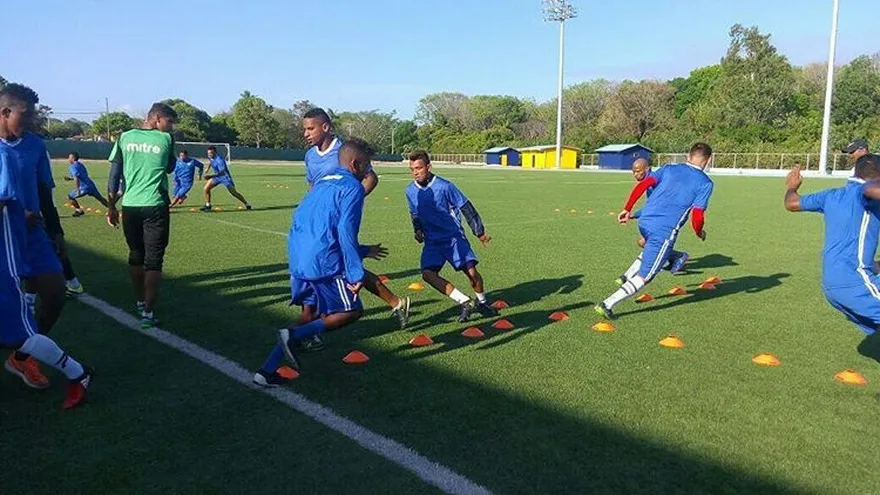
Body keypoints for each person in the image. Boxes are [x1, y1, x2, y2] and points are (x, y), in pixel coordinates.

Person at [253, 138, 376, 386]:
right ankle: (295, 336)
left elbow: (311, 222)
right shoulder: (352, 188)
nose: (368, 171)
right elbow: (344, 231)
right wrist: (355, 273)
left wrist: (361, 251)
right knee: (352, 310)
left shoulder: (321, 184)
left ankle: (265, 372)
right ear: (355, 164)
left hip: (298, 256)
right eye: (366, 166)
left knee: (310, 316)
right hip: (323, 262)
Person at [0, 83, 92, 408]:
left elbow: (43, 194)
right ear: (5, 112)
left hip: (32, 235)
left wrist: (56, 232)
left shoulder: (35, 145)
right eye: (27, 114)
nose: (33, 120)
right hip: (5, 236)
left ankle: (24, 356)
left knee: (54, 295)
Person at [298, 108, 409, 344]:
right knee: (338, 267)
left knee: (339, 267)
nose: (306, 134)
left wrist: (349, 204)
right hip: (319, 225)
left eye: (310, 128)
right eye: (305, 129)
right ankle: (396, 303)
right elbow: (312, 188)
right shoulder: (309, 156)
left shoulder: (344, 150)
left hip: (339, 221)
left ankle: (306, 333)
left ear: (325, 127)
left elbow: (371, 178)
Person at [595, 143, 715, 320]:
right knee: (645, 276)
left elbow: (643, 185)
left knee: (650, 248)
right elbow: (697, 215)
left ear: (688, 155)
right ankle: (607, 304)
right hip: (663, 232)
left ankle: (672, 258)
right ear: (709, 159)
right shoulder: (705, 183)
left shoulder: (668, 168)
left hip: (645, 223)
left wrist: (627, 209)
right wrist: (699, 233)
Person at [784, 154, 880, 337]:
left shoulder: (831, 196)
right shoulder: (865, 191)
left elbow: (791, 203)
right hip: (855, 283)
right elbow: (870, 188)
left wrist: (791, 187)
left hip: (833, 284)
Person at [106, 102, 178, 329]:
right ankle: (148, 313)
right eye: (170, 121)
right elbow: (169, 167)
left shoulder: (124, 137)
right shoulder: (166, 140)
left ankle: (139, 302)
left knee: (136, 254)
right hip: (155, 204)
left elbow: (114, 175)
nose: (171, 127)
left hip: (129, 205)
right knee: (154, 260)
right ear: (157, 118)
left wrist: (111, 207)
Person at [406, 150, 500, 322]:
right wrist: (417, 230)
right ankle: (464, 301)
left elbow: (465, 207)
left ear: (429, 167)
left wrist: (479, 232)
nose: (415, 172)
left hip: (453, 238)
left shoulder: (445, 186)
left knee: (471, 273)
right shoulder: (410, 191)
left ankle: (482, 302)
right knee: (428, 274)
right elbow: (415, 213)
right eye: (412, 169)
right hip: (432, 242)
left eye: (419, 168)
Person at [616, 157, 689, 284]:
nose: (635, 174)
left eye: (638, 171)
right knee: (643, 242)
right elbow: (653, 207)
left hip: (671, 217)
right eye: (633, 171)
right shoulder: (650, 184)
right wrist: (633, 215)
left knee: (646, 243)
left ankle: (673, 258)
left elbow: (658, 207)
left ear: (647, 169)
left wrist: (631, 212)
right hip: (663, 216)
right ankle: (675, 257)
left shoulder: (655, 182)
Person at [200, 146, 250, 211]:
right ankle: (208, 205)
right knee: (206, 188)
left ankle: (246, 204)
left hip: (224, 177)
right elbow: (211, 161)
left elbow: (222, 172)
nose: (209, 155)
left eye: (211, 153)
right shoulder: (211, 157)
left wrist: (210, 176)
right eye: (208, 153)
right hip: (217, 177)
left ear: (215, 153)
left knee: (233, 193)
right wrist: (207, 168)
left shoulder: (220, 160)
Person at [64, 152, 109, 216]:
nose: (68, 159)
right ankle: (112, 208)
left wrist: (78, 190)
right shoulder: (80, 164)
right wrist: (70, 178)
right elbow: (82, 175)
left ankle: (79, 211)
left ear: (73, 159)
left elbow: (76, 178)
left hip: (84, 187)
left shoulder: (72, 167)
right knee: (100, 198)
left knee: (70, 196)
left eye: (69, 158)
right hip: (91, 185)